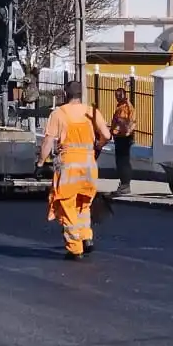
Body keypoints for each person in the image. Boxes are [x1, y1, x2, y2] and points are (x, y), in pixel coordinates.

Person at [38, 79, 110, 258]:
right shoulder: (92, 112)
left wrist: (40, 163)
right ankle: (87, 237)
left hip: (69, 165)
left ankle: (75, 247)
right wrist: (98, 146)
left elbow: (48, 141)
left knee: (66, 203)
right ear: (81, 94)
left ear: (65, 94)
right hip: (89, 164)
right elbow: (107, 135)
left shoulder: (59, 113)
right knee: (84, 202)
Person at [109, 84, 136, 196]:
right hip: (122, 137)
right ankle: (124, 185)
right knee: (122, 161)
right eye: (116, 95)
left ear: (124, 95)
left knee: (122, 162)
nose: (117, 97)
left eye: (119, 95)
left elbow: (125, 123)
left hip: (123, 138)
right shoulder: (122, 106)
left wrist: (116, 128)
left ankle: (125, 186)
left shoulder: (125, 107)